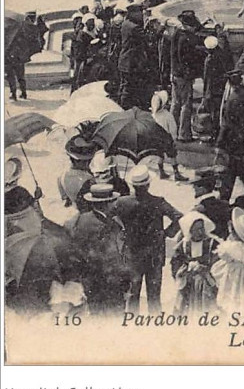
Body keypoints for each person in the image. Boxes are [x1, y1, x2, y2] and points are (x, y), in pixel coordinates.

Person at [111, 164, 182, 314]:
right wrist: (166, 233)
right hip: (154, 256)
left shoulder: (121, 202)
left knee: (132, 295)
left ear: (132, 184)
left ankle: (132, 324)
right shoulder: (158, 202)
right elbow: (179, 217)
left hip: (132, 255)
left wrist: (121, 230)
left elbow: (109, 217)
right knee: (154, 296)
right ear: (148, 184)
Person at [65, 182, 130, 316]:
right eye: (113, 202)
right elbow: (116, 259)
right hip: (110, 284)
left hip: (89, 282)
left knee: (96, 315)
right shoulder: (110, 226)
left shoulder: (79, 220)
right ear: (107, 204)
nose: (115, 204)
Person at [215, 71, 244, 197]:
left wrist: (219, 143)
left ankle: (225, 197)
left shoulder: (231, 100)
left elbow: (226, 124)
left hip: (232, 140)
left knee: (235, 169)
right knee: (237, 169)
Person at [211, 206, 244, 313]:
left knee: (229, 296)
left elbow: (222, 252)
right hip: (243, 275)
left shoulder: (232, 247)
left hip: (232, 275)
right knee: (240, 298)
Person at [170, 213, 219, 315]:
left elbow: (218, 264)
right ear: (190, 230)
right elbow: (175, 264)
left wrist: (206, 270)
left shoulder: (212, 243)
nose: (200, 232)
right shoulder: (183, 245)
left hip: (206, 283)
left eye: (202, 228)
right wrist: (182, 272)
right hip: (188, 284)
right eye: (197, 229)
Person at [170, 10, 205, 143]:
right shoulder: (185, 39)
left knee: (175, 103)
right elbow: (186, 58)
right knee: (186, 104)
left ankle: (172, 130)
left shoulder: (176, 33)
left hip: (174, 73)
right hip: (183, 76)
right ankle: (184, 134)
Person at [58, 134, 101, 212]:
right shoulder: (87, 179)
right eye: (85, 161)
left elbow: (66, 202)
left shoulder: (61, 176)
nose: (88, 163)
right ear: (76, 161)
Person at [150, 91, 185, 182]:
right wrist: (174, 138)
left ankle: (161, 172)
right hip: (167, 138)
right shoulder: (167, 115)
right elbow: (173, 128)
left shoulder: (153, 115)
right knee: (172, 155)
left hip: (157, 138)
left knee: (160, 155)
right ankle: (176, 173)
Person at [192, 167, 232, 240]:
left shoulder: (200, 209)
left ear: (203, 188)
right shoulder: (224, 204)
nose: (193, 187)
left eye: (197, 185)